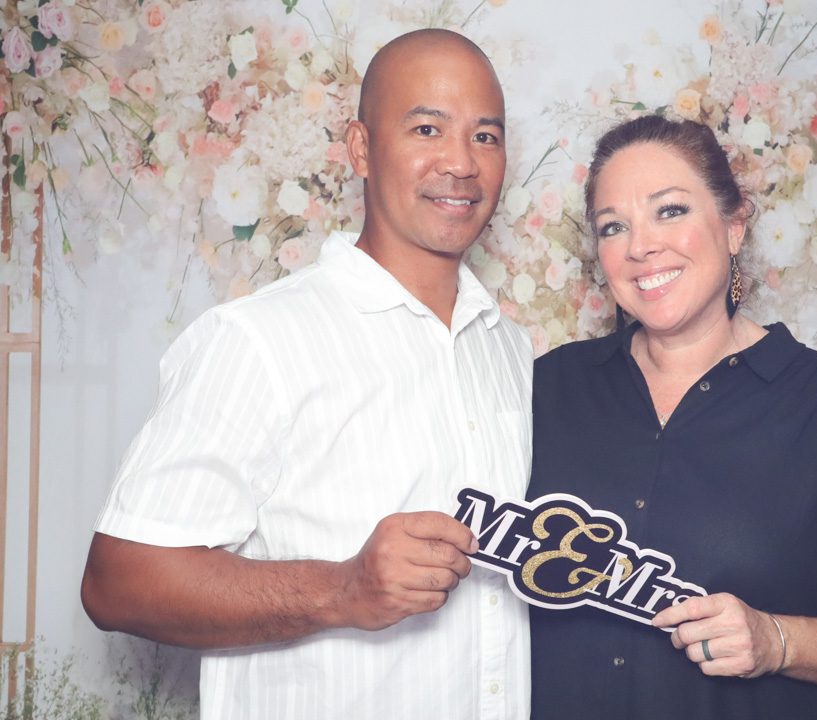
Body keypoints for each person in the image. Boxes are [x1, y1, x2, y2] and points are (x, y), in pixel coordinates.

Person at [81, 29, 532, 720]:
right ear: (361, 149)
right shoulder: (257, 341)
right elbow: (117, 583)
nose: (461, 162)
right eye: (426, 129)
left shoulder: (507, 348)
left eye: (485, 136)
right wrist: (342, 589)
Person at [527, 115, 817, 719]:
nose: (640, 246)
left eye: (670, 210)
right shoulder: (549, 387)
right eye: (613, 226)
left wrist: (776, 641)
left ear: (733, 226)